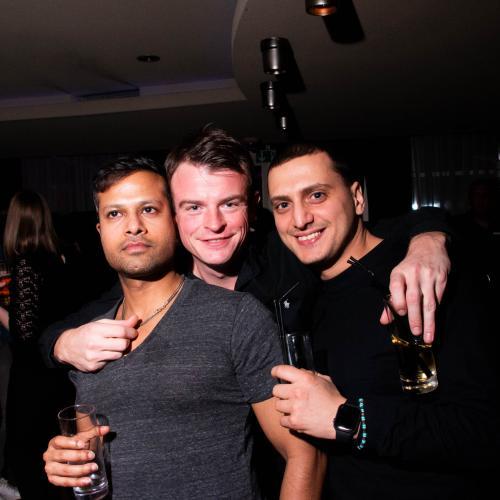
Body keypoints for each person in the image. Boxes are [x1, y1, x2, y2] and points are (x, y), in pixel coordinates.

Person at [40, 126, 451, 498]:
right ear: (175, 214)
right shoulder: (150, 282)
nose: (213, 224)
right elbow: (69, 328)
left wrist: (429, 238)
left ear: (253, 208)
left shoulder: (287, 258)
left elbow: (361, 230)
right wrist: (60, 343)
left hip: (331, 464)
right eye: (194, 206)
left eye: (229, 204)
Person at [43, 157, 324, 499]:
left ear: (174, 221)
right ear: (100, 230)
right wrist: (68, 460)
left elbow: (305, 455)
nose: (133, 227)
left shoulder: (235, 317)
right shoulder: (87, 343)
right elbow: (91, 449)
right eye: (115, 214)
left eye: (148, 209)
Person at [267, 144, 497, 499]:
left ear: (357, 198)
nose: (299, 219)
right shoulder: (299, 293)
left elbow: (484, 430)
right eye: (283, 204)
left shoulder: (420, 275)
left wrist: (349, 418)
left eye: (316, 195)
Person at [0, 191, 75, 499]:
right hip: (58, 368)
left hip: (33, 372)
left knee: (30, 448)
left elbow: (23, 333)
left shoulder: (26, 263)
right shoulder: (61, 257)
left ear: (13, 223)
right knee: (56, 445)